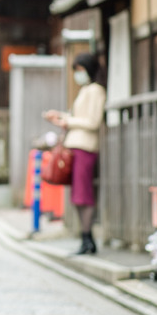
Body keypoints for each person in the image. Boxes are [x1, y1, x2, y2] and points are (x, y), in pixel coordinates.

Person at [44, 52, 106, 255]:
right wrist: (61, 116)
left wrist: (67, 121)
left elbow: (92, 121)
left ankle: (87, 238)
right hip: (76, 147)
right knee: (78, 195)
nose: (77, 74)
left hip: (85, 147)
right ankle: (86, 238)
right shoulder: (86, 89)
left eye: (80, 69)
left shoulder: (96, 90)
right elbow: (77, 117)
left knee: (83, 195)